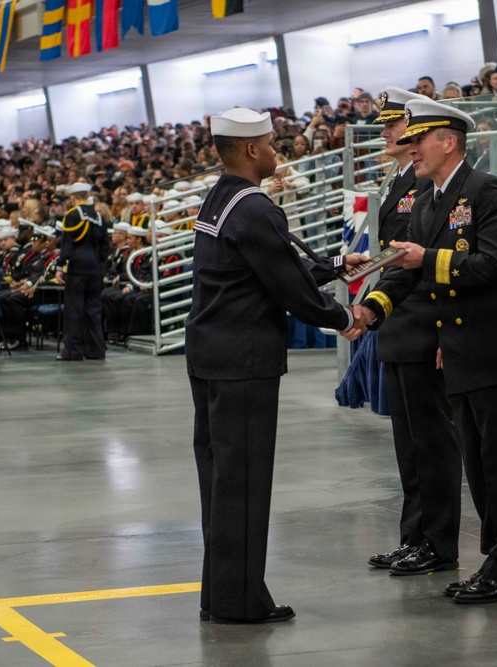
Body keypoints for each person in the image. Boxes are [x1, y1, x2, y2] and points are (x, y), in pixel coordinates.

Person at [186, 107, 364, 625]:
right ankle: (240, 604)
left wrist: (333, 265)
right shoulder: (256, 208)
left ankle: (221, 595)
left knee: (221, 481)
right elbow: (287, 287)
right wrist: (344, 318)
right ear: (250, 150)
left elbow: (260, 268)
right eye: (268, 143)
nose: (275, 151)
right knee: (243, 482)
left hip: (212, 354)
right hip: (243, 360)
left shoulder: (222, 197)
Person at [353, 97, 497, 605]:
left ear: (449, 142)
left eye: (419, 140)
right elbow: (405, 273)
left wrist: (427, 257)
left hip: (491, 349)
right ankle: (496, 563)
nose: (411, 148)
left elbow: (494, 265)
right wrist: (369, 311)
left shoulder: (485, 191)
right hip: (457, 351)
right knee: (478, 467)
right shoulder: (429, 200)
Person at [362, 86, 463, 577]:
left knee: (431, 443)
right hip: (399, 320)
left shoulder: (425, 184)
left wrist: (443, 334)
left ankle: (437, 542)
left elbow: (426, 260)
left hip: (424, 323)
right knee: (409, 444)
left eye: (394, 125)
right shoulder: (401, 179)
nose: (387, 133)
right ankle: (415, 537)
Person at [55, 182, 107, 361]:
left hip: (77, 267)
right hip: (95, 268)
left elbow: (67, 244)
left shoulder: (72, 215)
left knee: (74, 310)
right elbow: (105, 247)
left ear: (73, 197)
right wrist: (100, 265)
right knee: (94, 310)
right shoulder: (99, 217)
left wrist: (60, 266)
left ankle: (73, 351)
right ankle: (96, 350)